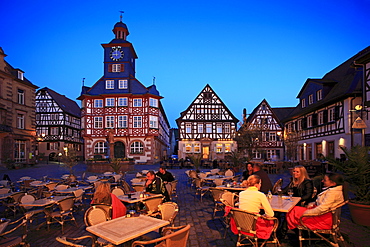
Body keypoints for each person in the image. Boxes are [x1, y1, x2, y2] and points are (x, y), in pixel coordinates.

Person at [237, 175, 275, 239]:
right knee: (272, 220)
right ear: (256, 185)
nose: (261, 185)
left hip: (242, 224)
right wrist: (263, 215)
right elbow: (270, 214)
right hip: (254, 226)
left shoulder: (241, 193)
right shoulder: (260, 195)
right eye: (260, 183)